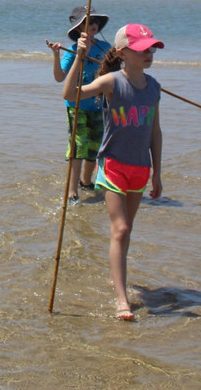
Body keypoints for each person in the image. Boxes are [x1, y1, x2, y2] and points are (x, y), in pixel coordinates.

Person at [62, 23, 164, 322]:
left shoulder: (154, 87)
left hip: (140, 169)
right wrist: (79, 57)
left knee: (126, 231)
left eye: (152, 49)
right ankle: (122, 300)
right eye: (142, 50)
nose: (149, 55)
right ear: (122, 53)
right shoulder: (111, 82)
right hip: (114, 166)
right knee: (119, 230)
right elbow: (70, 93)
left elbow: (155, 132)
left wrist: (157, 173)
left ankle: (116, 276)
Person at [46, 7, 110, 204]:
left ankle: (86, 181)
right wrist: (56, 55)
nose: (94, 25)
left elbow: (115, 72)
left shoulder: (105, 48)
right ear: (78, 28)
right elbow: (59, 78)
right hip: (77, 105)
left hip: (100, 105)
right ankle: (72, 191)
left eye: (95, 21)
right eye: (89, 22)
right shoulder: (72, 51)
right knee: (78, 146)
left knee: (95, 147)